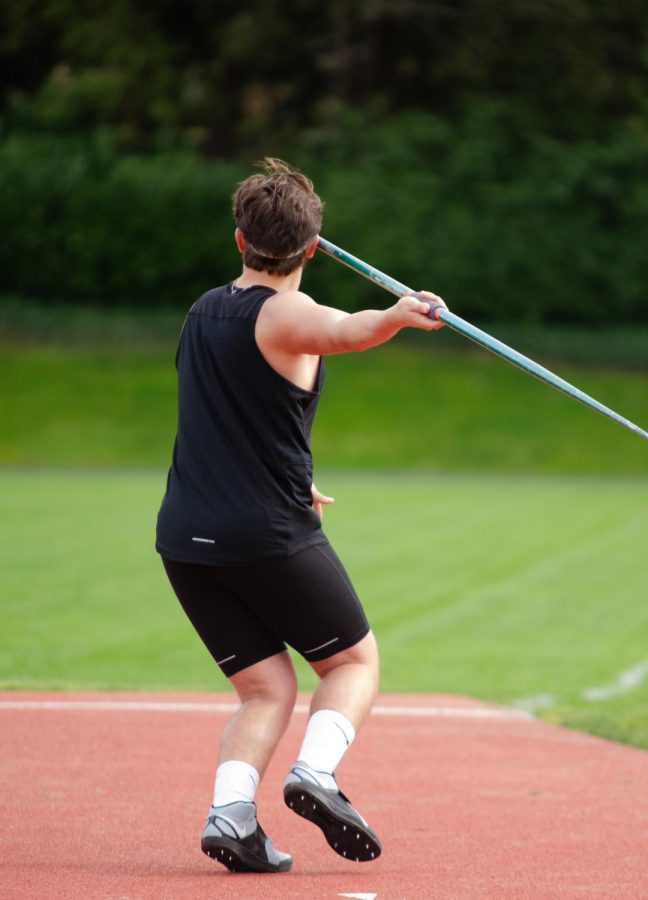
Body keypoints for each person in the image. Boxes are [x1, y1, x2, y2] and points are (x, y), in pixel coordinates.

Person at [156, 158, 446, 874]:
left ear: (238, 240)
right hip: (263, 532)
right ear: (311, 249)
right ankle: (314, 774)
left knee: (265, 688)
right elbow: (347, 329)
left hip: (186, 539)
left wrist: (294, 472)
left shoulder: (201, 311)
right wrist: (402, 314)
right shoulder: (287, 313)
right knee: (352, 663)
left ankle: (231, 816)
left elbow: (233, 414)